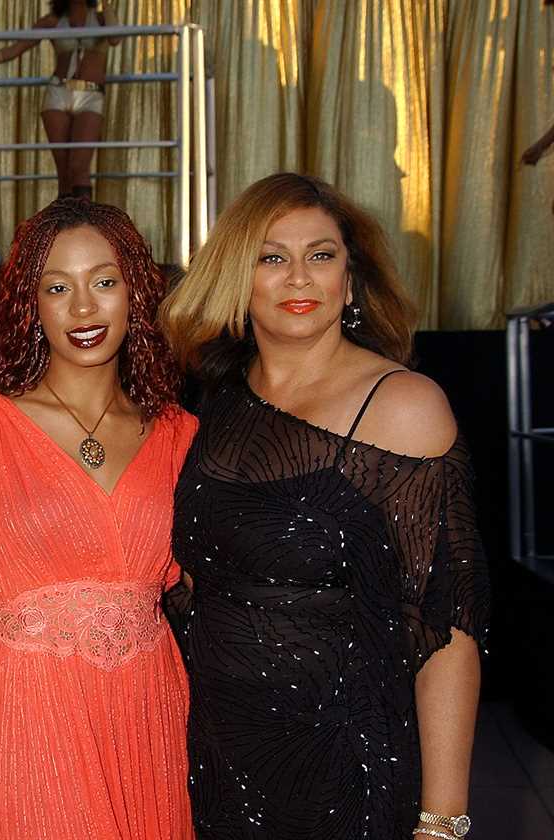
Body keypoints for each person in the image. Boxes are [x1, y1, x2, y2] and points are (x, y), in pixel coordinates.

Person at [158, 173, 489, 840]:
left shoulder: (403, 407)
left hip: (346, 770)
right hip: (213, 758)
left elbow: (448, 626)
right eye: (272, 257)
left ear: (349, 275)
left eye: (321, 255)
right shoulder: (211, 399)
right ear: (236, 275)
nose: (299, 278)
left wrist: (443, 820)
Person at [0, 197, 196, 839]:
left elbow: (215, 591)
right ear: (32, 305)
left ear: (136, 291)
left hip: (150, 712)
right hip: (31, 718)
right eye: (58, 288)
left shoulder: (180, 434)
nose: (84, 309)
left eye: (104, 282)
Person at [0, 0, 123, 198]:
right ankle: (63, 225)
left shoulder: (102, 19)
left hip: (91, 94)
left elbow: (115, 38)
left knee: (79, 166)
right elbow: (15, 49)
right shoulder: (52, 22)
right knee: (64, 171)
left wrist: (106, 4)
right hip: (58, 93)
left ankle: (83, 226)